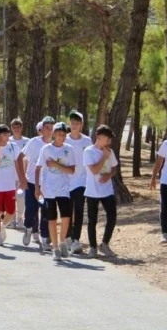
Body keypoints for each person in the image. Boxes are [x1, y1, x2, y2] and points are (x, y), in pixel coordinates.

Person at [36, 122, 76, 262]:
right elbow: (38, 167)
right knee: (51, 218)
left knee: (66, 216)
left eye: (64, 135)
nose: (62, 137)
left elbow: (71, 170)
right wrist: (37, 187)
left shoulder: (69, 149)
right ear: (54, 134)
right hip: (49, 189)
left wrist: (56, 165)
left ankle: (62, 241)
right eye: (59, 134)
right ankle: (55, 249)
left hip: (63, 188)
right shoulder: (46, 149)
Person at [0, 124, 27, 246]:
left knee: (11, 211)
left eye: (7, 134)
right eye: (4, 134)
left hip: (10, 184)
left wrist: (21, 178)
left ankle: (3, 225)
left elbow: (17, 162)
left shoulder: (13, 146)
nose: (7, 136)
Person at [83, 125, 119, 258]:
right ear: (99, 137)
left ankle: (105, 244)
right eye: (107, 138)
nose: (109, 142)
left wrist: (109, 175)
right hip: (92, 190)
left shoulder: (110, 151)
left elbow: (114, 168)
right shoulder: (88, 151)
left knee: (112, 216)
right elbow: (94, 170)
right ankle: (93, 247)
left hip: (107, 190)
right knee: (92, 220)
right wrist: (104, 157)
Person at [21, 117, 55, 248]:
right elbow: (22, 158)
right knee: (31, 209)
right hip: (31, 182)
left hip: (47, 184)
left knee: (46, 211)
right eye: (47, 128)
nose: (49, 131)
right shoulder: (34, 142)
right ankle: (28, 228)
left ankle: (45, 238)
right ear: (42, 129)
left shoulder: (55, 145)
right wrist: (22, 177)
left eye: (52, 128)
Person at [64, 110, 92, 254]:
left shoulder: (87, 141)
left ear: (82, 125)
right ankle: (67, 236)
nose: (74, 125)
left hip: (81, 181)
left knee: (79, 210)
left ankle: (76, 239)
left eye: (77, 123)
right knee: (67, 211)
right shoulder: (64, 139)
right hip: (65, 181)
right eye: (72, 123)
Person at [9, 118, 29, 229]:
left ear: (21, 128)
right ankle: (12, 218)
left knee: (21, 198)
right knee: (11, 198)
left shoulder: (27, 141)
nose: (16, 129)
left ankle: (20, 217)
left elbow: (28, 158)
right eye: (14, 127)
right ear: (11, 128)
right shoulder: (8, 141)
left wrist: (25, 175)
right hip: (10, 176)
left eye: (18, 127)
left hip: (23, 175)